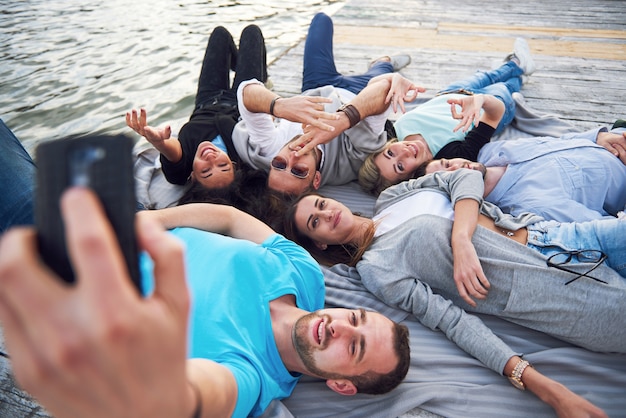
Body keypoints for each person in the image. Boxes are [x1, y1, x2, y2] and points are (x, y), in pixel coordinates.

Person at [0, 123, 411, 417]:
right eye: (355, 318)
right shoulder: (306, 275)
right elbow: (229, 219)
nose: (341, 326)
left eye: (353, 347)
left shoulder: (249, 375)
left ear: (342, 384)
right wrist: (143, 223)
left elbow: (196, 393)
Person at [283, 169, 626, 350]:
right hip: (546, 286)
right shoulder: (376, 267)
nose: (326, 214)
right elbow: (450, 321)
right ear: (320, 244)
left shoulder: (390, 198)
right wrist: (523, 373)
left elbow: (465, 177)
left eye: (322, 204)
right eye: (315, 222)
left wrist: (461, 238)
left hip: (552, 235)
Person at [231, 12, 420, 196]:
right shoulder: (350, 161)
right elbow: (385, 89)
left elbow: (246, 92)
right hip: (361, 93)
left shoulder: (271, 150)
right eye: (298, 171)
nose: (292, 157)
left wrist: (279, 105)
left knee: (321, 20)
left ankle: (380, 65)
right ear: (316, 180)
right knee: (382, 72)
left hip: (318, 84)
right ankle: (383, 61)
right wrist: (343, 120)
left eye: (280, 165)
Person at [358, 38, 535, 195]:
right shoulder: (449, 156)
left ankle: (516, 70)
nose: (403, 152)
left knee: (486, 76)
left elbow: (371, 90)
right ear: (410, 177)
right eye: (400, 166)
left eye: (390, 153)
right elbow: (494, 115)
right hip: (490, 106)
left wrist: (393, 79)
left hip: (451, 92)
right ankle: (516, 67)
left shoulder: (391, 132)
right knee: (504, 87)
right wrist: (481, 100)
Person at [126, 25, 267, 191]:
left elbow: (174, 155)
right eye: (223, 165)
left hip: (206, 100)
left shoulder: (181, 172)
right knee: (252, 32)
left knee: (219, 34)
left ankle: (240, 66)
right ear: (234, 166)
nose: (211, 158)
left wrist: (159, 142)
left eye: (206, 171)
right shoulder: (242, 156)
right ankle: (261, 75)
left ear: (193, 176)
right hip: (243, 100)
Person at [420, 126, 626, 222]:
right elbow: (609, 228)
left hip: (615, 135)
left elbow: (559, 141)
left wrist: (597, 136)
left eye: (447, 163)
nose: (456, 168)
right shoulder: (531, 205)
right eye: (450, 178)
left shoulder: (492, 152)